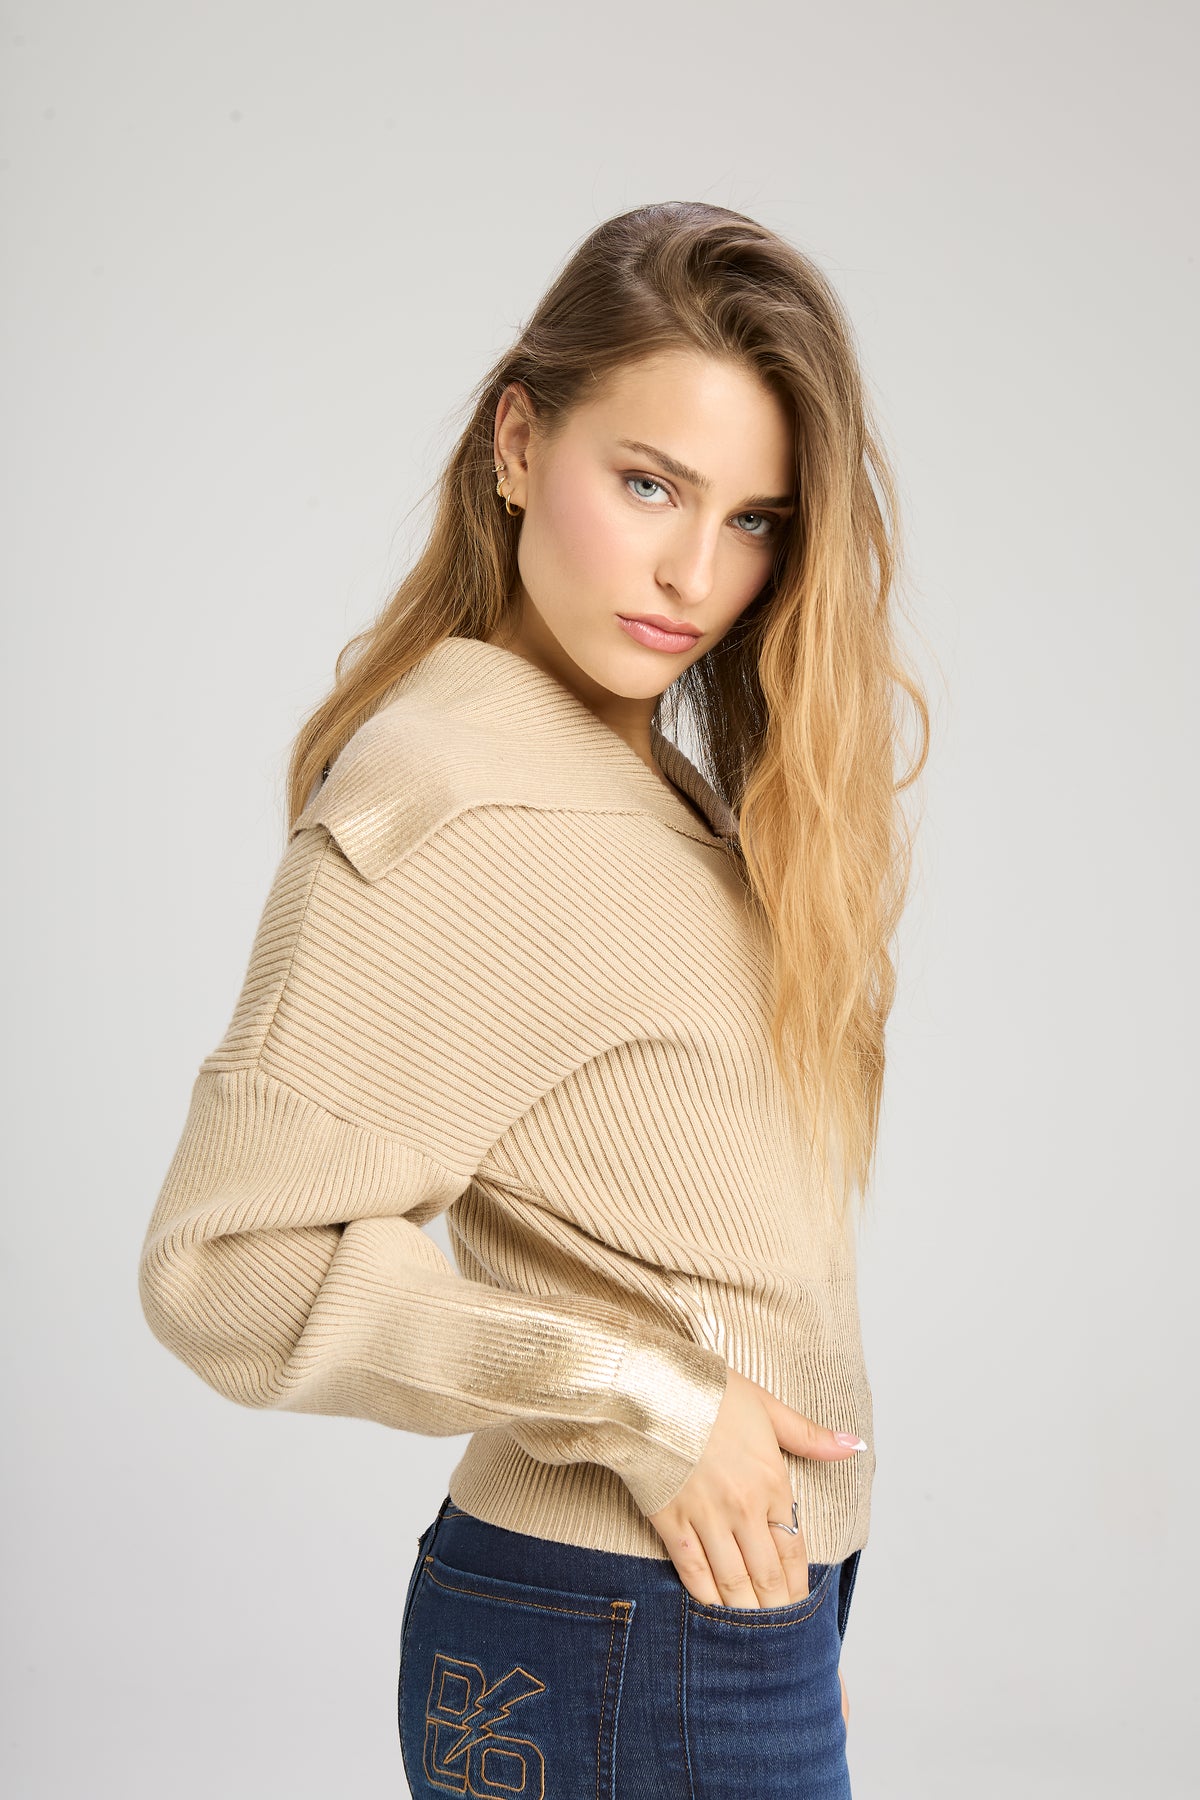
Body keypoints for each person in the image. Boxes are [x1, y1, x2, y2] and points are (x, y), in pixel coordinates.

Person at [138, 200, 928, 1798]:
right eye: (649, 485)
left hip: (705, 1622)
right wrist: (642, 1403)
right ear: (517, 444)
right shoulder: (454, 797)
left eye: (756, 520)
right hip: (619, 1624)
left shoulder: (635, 783)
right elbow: (221, 1264)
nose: (696, 573)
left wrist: (771, 1584)